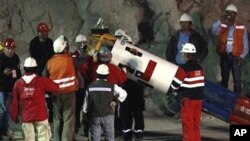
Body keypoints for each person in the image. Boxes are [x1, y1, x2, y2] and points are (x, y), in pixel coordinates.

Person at [165, 13, 208, 117]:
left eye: (185, 22)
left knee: (188, 90)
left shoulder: (196, 36)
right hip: (178, 66)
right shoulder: (176, 36)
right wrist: (172, 63)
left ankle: (187, 111)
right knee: (179, 89)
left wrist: (198, 60)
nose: (183, 24)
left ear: (190, 23)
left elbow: (205, 49)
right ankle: (179, 110)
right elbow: (169, 50)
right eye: (182, 22)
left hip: (190, 68)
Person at [10, 57, 60, 141]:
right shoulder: (41, 81)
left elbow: (14, 102)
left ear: (24, 69)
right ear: (36, 69)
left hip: (27, 117)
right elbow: (56, 87)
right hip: (41, 116)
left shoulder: (18, 83)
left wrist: (14, 116)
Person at [43, 35, 78, 141]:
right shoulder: (70, 60)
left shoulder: (49, 62)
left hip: (55, 94)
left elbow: (44, 76)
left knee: (57, 119)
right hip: (69, 93)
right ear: (64, 48)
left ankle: (57, 139)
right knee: (68, 119)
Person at [168, 43, 205, 141]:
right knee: (195, 126)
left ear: (185, 54)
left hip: (188, 102)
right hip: (198, 101)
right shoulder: (200, 69)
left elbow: (174, 85)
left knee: (187, 126)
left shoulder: (184, 68)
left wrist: (173, 90)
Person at [83, 64, 127, 141]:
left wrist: (85, 112)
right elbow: (124, 93)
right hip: (108, 115)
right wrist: (116, 100)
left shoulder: (90, 86)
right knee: (109, 138)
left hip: (94, 116)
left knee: (95, 138)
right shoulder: (112, 86)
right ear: (107, 74)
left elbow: (86, 102)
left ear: (97, 74)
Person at [211, 4, 249, 94]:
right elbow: (213, 31)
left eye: (231, 13)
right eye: (227, 13)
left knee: (237, 80)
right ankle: (224, 98)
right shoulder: (223, 25)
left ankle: (238, 100)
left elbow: (246, 45)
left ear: (235, 14)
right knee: (224, 79)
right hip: (224, 55)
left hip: (236, 57)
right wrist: (220, 20)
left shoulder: (242, 27)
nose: (229, 15)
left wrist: (242, 57)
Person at [119, 34, 145, 141]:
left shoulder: (138, 55)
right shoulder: (121, 56)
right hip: (127, 87)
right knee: (126, 112)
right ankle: (128, 132)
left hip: (135, 87)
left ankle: (137, 132)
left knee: (136, 111)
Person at [29, 22, 55, 123]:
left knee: (49, 94)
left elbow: (52, 56)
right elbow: (33, 57)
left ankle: (51, 116)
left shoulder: (50, 42)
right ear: (38, 33)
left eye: (46, 32)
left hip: (48, 72)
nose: (45, 34)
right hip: (37, 72)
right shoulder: (33, 43)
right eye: (43, 32)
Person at [0, 38, 22, 139]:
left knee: (8, 111)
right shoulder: (1, 58)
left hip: (11, 88)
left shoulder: (15, 58)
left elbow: (17, 72)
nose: (10, 50)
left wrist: (20, 82)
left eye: (12, 48)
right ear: (4, 48)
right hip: (2, 89)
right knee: (1, 110)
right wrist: (3, 73)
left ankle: (6, 129)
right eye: (8, 48)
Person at [71, 34, 89, 136]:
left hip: (87, 84)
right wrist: (84, 55)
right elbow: (77, 65)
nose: (82, 44)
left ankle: (86, 128)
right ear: (77, 44)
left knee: (87, 108)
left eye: (84, 43)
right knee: (77, 108)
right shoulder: (74, 55)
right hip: (79, 86)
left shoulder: (89, 55)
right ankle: (77, 126)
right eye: (80, 43)